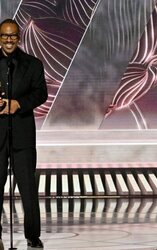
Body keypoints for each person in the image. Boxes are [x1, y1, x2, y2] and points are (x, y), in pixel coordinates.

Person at [0, 19, 47, 247]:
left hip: (22, 136)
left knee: (28, 188)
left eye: (12, 36)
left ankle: (32, 235)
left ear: (19, 38)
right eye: (4, 36)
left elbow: (41, 94)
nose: (9, 40)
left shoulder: (33, 64)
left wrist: (18, 104)